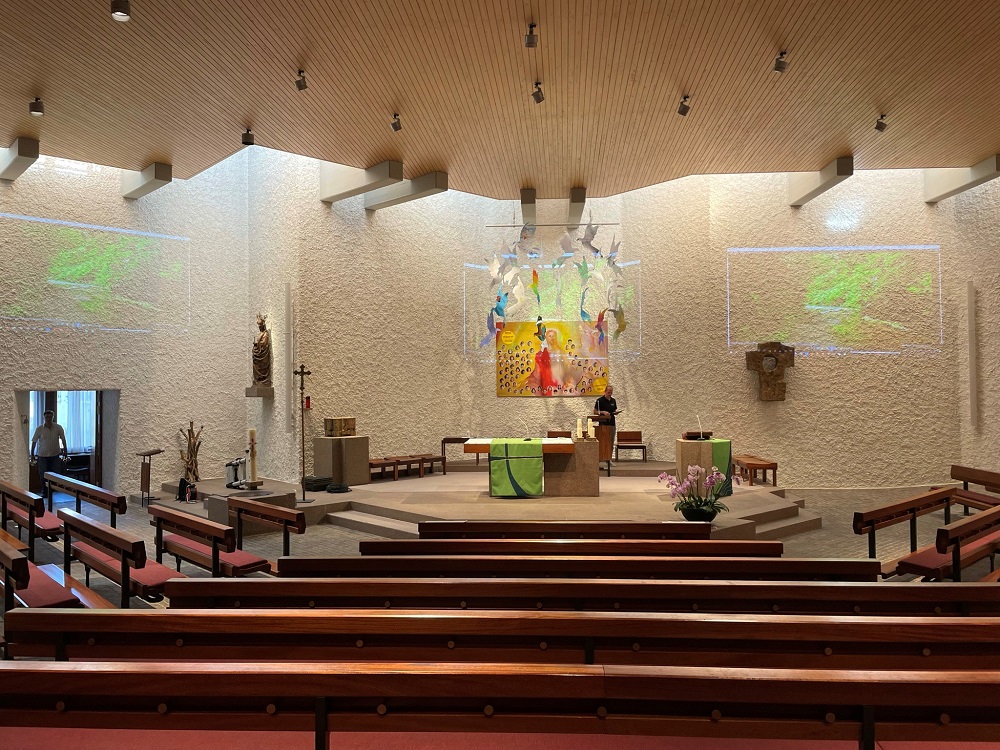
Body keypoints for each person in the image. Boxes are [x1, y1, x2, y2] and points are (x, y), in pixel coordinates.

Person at [30, 410, 68, 501]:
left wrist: (65, 450)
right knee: (43, 474)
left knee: (55, 474)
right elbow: (34, 441)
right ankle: (45, 491)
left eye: (50, 417)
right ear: (44, 417)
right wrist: (32, 454)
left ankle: (53, 490)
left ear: (53, 417)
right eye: (47, 417)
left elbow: (63, 439)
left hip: (55, 455)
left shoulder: (58, 427)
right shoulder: (39, 429)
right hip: (42, 455)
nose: (48, 419)